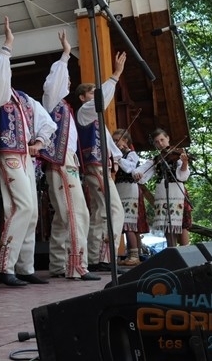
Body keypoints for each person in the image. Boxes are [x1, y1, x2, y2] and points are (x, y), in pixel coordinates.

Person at [0, 16, 56, 286]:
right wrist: (7, 46)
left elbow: (47, 122)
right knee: (21, 206)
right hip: (7, 154)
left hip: (25, 156)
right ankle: (3, 267)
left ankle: (24, 267)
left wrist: (39, 142)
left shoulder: (24, 99)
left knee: (31, 211)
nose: (5, 72)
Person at [37, 31, 100, 281]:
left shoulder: (64, 106)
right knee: (76, 212)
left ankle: (58, 263)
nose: (67, 81)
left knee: (64, 215)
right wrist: (65, 55)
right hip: (61, 160)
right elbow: (53, 81)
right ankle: (77, 264)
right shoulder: (53, 100)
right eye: (65, 78)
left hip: (66, 160)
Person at [76, 52, 126, 272]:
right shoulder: (85, 111)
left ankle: (96, 258)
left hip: (99, 166)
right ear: (82, 97)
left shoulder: (95, 119)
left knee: (99, 212)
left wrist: (117, 158)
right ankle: (107, 257)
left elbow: (109, 143)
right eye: (91, 92)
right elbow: (101, 100)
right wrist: (115, 75)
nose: (96, 94)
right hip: (95, 166)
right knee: (114, 209)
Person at [134, 128, 191, 247]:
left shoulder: (178, 154)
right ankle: (172, 252)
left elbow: (182, 176)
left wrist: (185, 163)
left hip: (177, 192)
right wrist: (138, 174)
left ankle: (186, 252)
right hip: (163, 194)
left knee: (182, 225)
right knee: (167, 225)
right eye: (156, 142)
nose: (160, 143)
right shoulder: (156, 159)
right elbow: (142, 170)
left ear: (168, 138)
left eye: (162, 140)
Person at [112, 128, 147, 265]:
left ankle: (134, 254)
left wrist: (118, 157)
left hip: (130, 188)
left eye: (117, 140)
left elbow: (129, 168)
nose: (115, 143)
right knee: (123, 221)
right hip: (119, 188)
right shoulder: (117, 155)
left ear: (125, 140)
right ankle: (129, 254)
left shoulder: (131, 154)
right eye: (113, 141)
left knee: (129, 222)